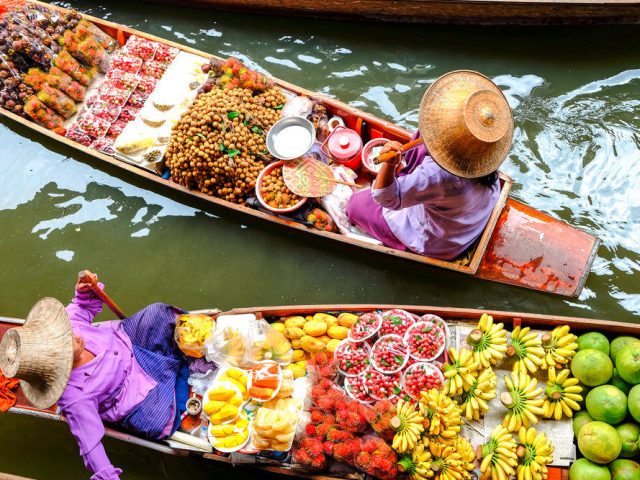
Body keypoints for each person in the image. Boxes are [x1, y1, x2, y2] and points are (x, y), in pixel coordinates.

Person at [0, 273, 191, 480]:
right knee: (156, 420)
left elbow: (82, 308)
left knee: (157, 314)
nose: (74, 335)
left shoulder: (65, 325)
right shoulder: (75, 398)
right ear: (58, 360)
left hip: (127, 343)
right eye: (67, 342)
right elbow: (90, 447)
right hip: (132, 392)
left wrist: (82, 291)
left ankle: (179, 356)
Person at [347, 70, 514, 261]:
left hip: (438, 243)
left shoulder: (436, 175)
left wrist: (389, 164)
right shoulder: (485, 156)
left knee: (354, 205)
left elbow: (385, 198)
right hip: (469, 221)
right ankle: (409, 182)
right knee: (421, 137)